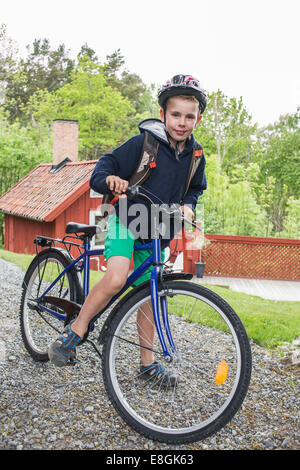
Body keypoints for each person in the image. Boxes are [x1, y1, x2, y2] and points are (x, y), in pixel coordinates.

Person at [48, 74, 207, 386]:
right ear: (163, 115)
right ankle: (76, 330)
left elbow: (195, 189)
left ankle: (147, 364)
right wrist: (111, 180)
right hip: (118, 216)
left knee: (150, 295)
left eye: (190, 116)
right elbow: (101, 169)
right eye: (175, 114)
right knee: (118, 277)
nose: (182, 122)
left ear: (198, 118)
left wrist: (189, 205)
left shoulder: (196, 156)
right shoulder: (143, 144)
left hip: (158, 227)